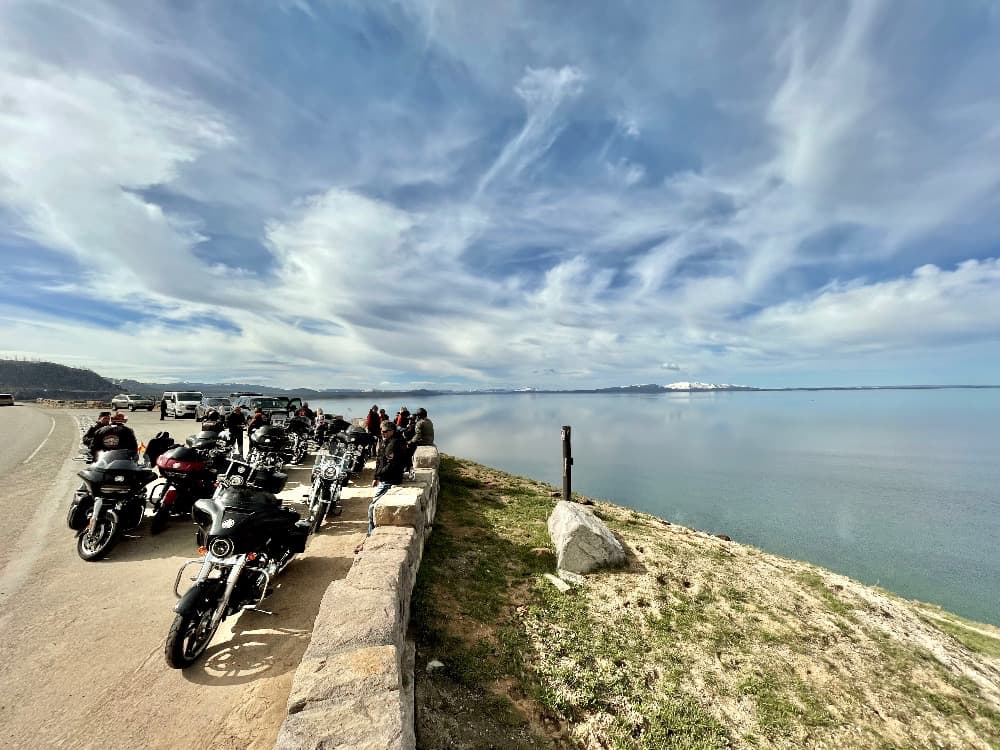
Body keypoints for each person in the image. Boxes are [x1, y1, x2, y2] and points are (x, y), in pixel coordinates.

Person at [357, 421, 408, 554]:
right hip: (384, 479)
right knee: (373, 508)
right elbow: (380, 460)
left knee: (372, 509)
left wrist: (379, 475)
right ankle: (369, 536)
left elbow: (392, 464)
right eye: (381, 431)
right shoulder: (387, 441)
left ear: (392, 431)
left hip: (390, 480)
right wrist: (376, 477)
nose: (382, 433)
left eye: (385, 431)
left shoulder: (395, 443)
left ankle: (369, 538)